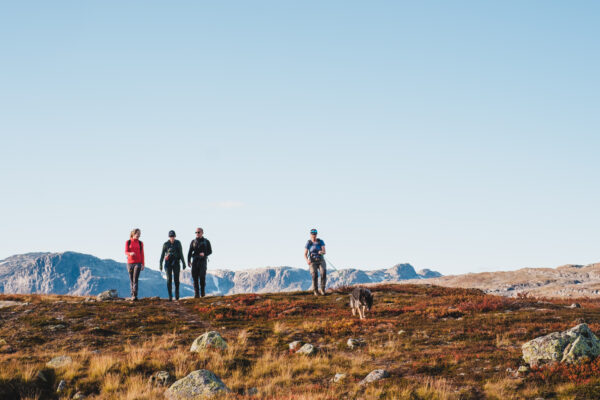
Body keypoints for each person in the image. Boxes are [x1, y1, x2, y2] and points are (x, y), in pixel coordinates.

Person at [160, 230, 186, 301]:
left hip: (176, 262)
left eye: (173, 236)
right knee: (169, 279)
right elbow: (162, 255)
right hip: (168, 263)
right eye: (171, 236)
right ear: (169, 237)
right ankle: (170, 296)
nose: (172, 238)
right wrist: (160, 264)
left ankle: (177, 295)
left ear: (175, 236)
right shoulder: (165, 244)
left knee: (176, 279)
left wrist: (184, 263)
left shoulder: (178, 243)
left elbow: (181, 253)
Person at [187, 228, 212, 298]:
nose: (197, 233)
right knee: (194, 277)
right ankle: (196, 294)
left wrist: (204, 254)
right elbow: (189, 252)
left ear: (202, 233)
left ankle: (203, 293)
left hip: (203, 261)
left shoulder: (206, 241)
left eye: (198, 232)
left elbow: (210, 251)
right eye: (196, 232)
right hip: (195, 260)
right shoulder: (193, 242)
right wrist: (188, 261)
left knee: (202, 277)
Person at [304, 228, 326, 296]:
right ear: (310, 235)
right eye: (312, 234)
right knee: (314, 275)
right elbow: (305, 254)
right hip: (312, 261)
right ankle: (315, 291)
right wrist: (307, 260)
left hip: (321, 260)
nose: (314, 235)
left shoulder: (320, 241)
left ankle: (322, 290)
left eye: (315, 234)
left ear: (316, 235)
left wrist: (321, 252)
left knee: (323, 273)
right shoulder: (309, 243)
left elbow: (324, 252)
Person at [125, 228, 145, 301]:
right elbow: (126, 251)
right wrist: (130, 253)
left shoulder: (140, 243)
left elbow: (142, 254)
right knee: (131, 280)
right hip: (130, 263)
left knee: (135, 279)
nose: (138, 235)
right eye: (137, 233)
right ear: (133, 233)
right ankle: (132, 294)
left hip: (138, 263)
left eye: (139, 234)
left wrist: (143, 264)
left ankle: (134, 295)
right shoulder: (128, 242)